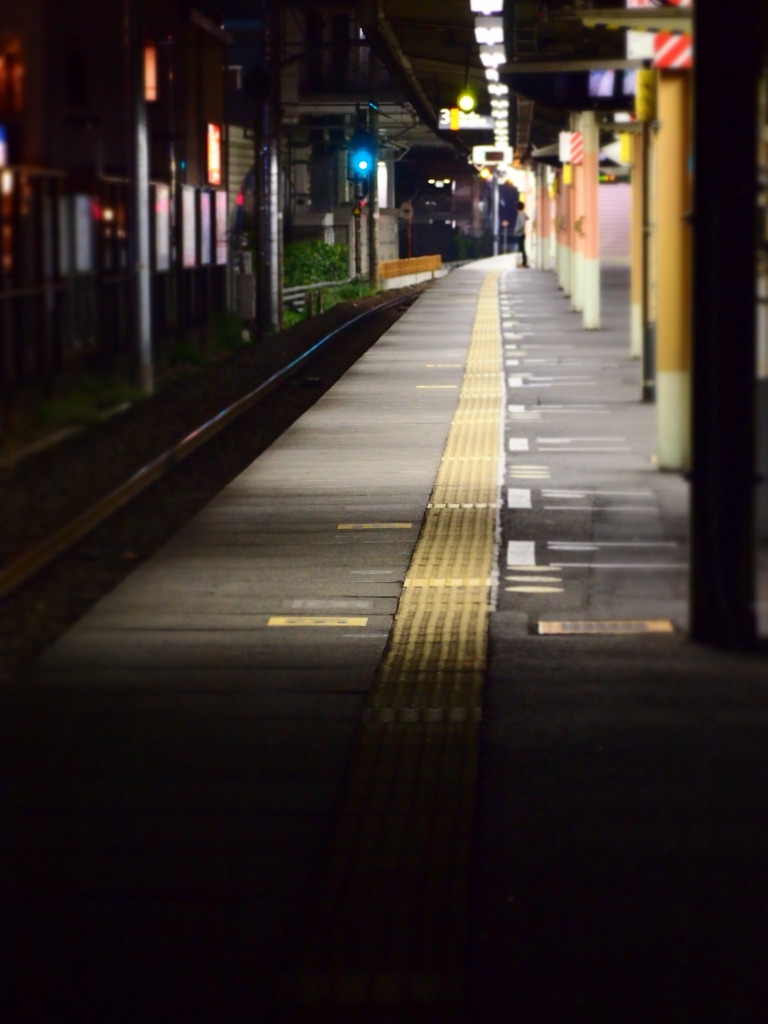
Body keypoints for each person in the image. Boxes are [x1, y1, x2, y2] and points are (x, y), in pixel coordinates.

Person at [513, 200, 529, 268]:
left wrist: (516, 231)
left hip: (520, 234)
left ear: (518, 207)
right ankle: (523, 263)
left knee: (522, 249)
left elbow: (522, 224)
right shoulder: (522, 214)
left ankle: (524, 263)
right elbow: (527, 218)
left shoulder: (521, 214)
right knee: (522, 249)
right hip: (521, 234)